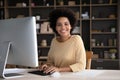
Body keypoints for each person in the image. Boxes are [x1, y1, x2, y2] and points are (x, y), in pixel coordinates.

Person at [39, 8, 86, 74]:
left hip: (73, 77)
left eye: (66, 24)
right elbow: (50, 62)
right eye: (59, 25)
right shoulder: (54, 41)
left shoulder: (76, 39)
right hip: (56, 76)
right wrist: (46, 66)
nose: (63, 27)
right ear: (55, 27)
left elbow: (81, 65)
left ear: (71, 26)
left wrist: (59, 69)